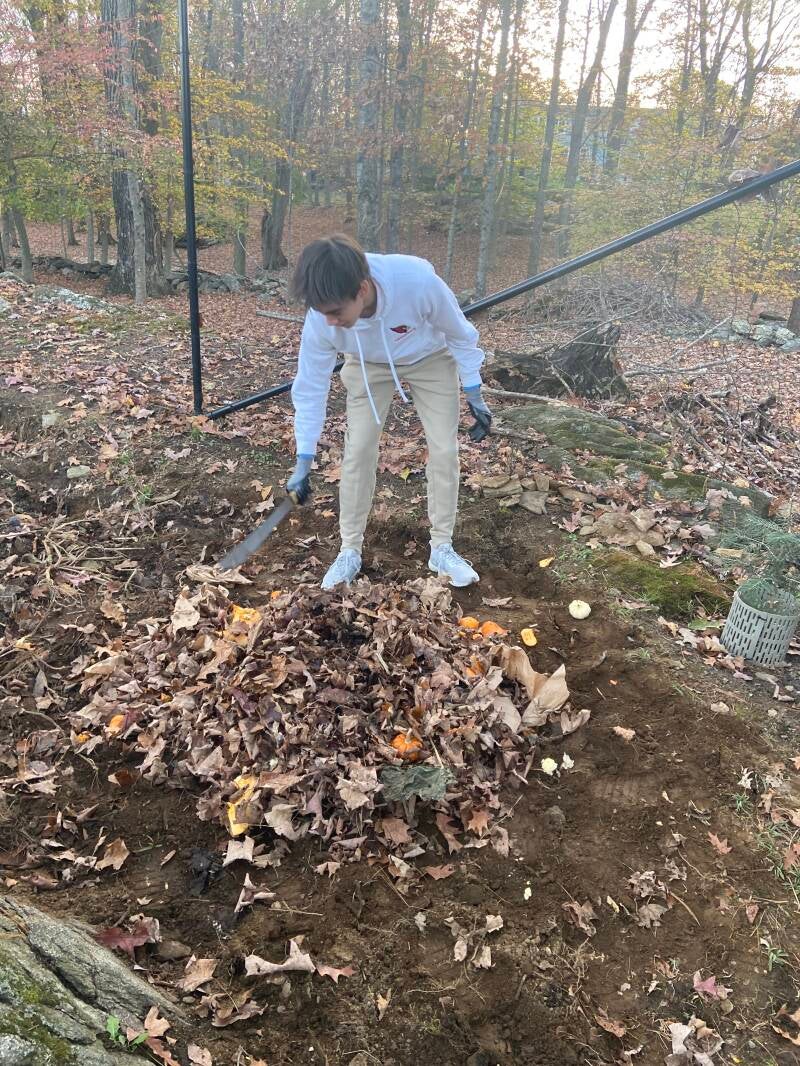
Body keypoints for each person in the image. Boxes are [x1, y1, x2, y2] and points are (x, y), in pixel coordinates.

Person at [287, 234, 491, 590]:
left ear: (362, 289)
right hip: (367, 366)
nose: (330, 321)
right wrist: (304, 460)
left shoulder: (417, 282)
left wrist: (474, 391)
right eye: (324, 313)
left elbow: (459, 332)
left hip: (429, 358)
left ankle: (441, 547)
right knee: (359, 449)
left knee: (444, 448)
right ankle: (350, 549)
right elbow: (310, 387)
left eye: (336, 312)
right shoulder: (322, 317)